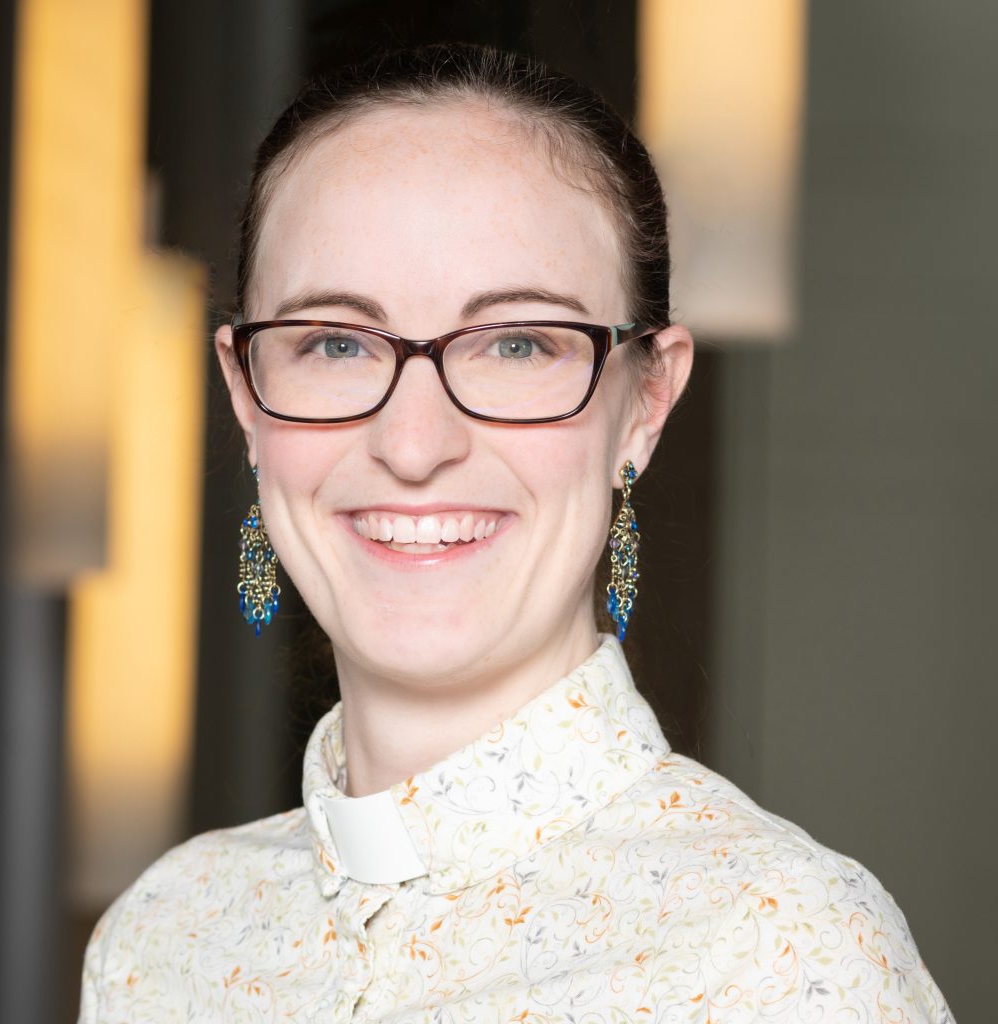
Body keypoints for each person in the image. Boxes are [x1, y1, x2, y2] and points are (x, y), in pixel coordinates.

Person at [78, 43, 952, 1022]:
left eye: (516, 343)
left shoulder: (778, 953)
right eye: (333, 341)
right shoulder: (164, 937)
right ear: (246, 395)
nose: (412, 444)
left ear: (646, 400)